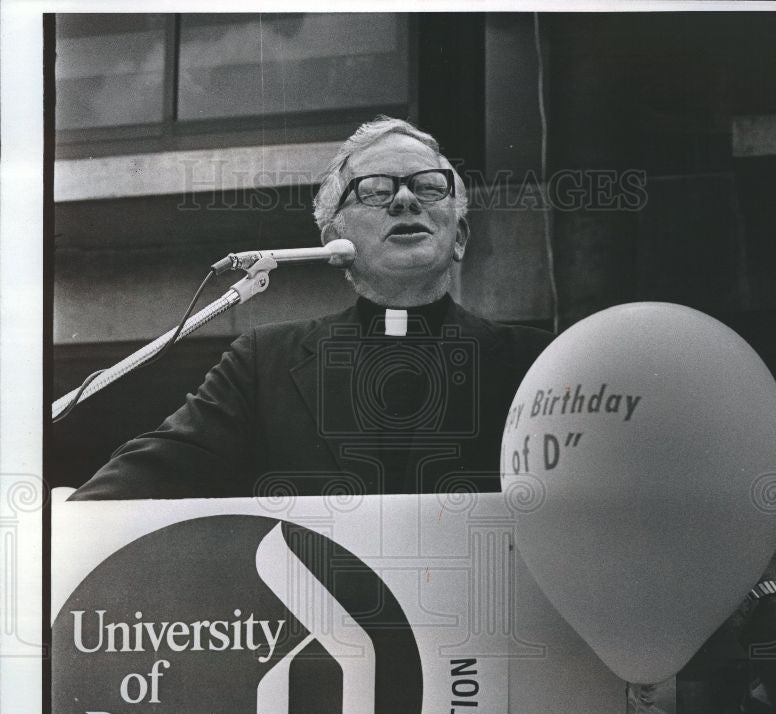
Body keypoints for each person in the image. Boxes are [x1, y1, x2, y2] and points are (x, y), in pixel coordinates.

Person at [70, 117, 553, 500]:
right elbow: (153, 473)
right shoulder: (263, 364)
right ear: (334, 243)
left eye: (428, 187)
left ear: (461, 238)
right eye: (376, 191)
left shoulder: (538, 365)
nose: (405, 200)